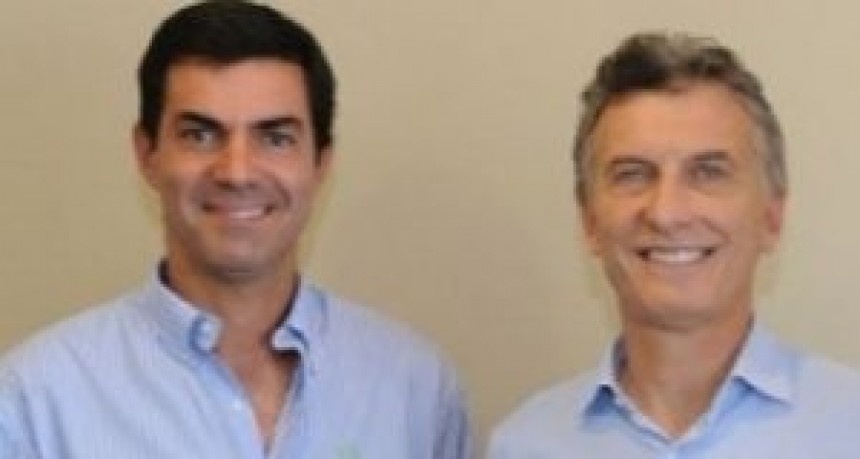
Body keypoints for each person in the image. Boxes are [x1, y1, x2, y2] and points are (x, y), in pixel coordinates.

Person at [0, 2, 471, 458]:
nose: (237, 172)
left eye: (276, 138)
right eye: (201, 135)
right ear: (147, 154)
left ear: (321, 163)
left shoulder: (417, 393)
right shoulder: (34, 404)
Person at [489, 31, 860, 458]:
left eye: (708, 172)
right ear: (589, 221)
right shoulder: (524, 444)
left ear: (771, 217)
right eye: (632, 174)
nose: (667, 213)